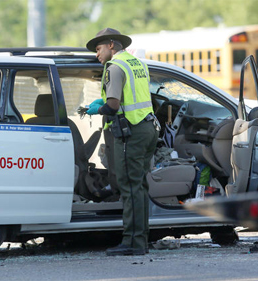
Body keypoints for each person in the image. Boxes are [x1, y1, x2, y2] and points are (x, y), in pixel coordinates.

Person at [86, 28, 159, 256]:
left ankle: (133, 243)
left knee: (129, 187)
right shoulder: (137, 63)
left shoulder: (115, 67)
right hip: (148, 127)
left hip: (131, 133)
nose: (96, 54)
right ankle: (141, 241)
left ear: (110, 45)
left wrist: (98, 108)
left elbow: (114, 106)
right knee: (139, 186)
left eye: (98, 49)